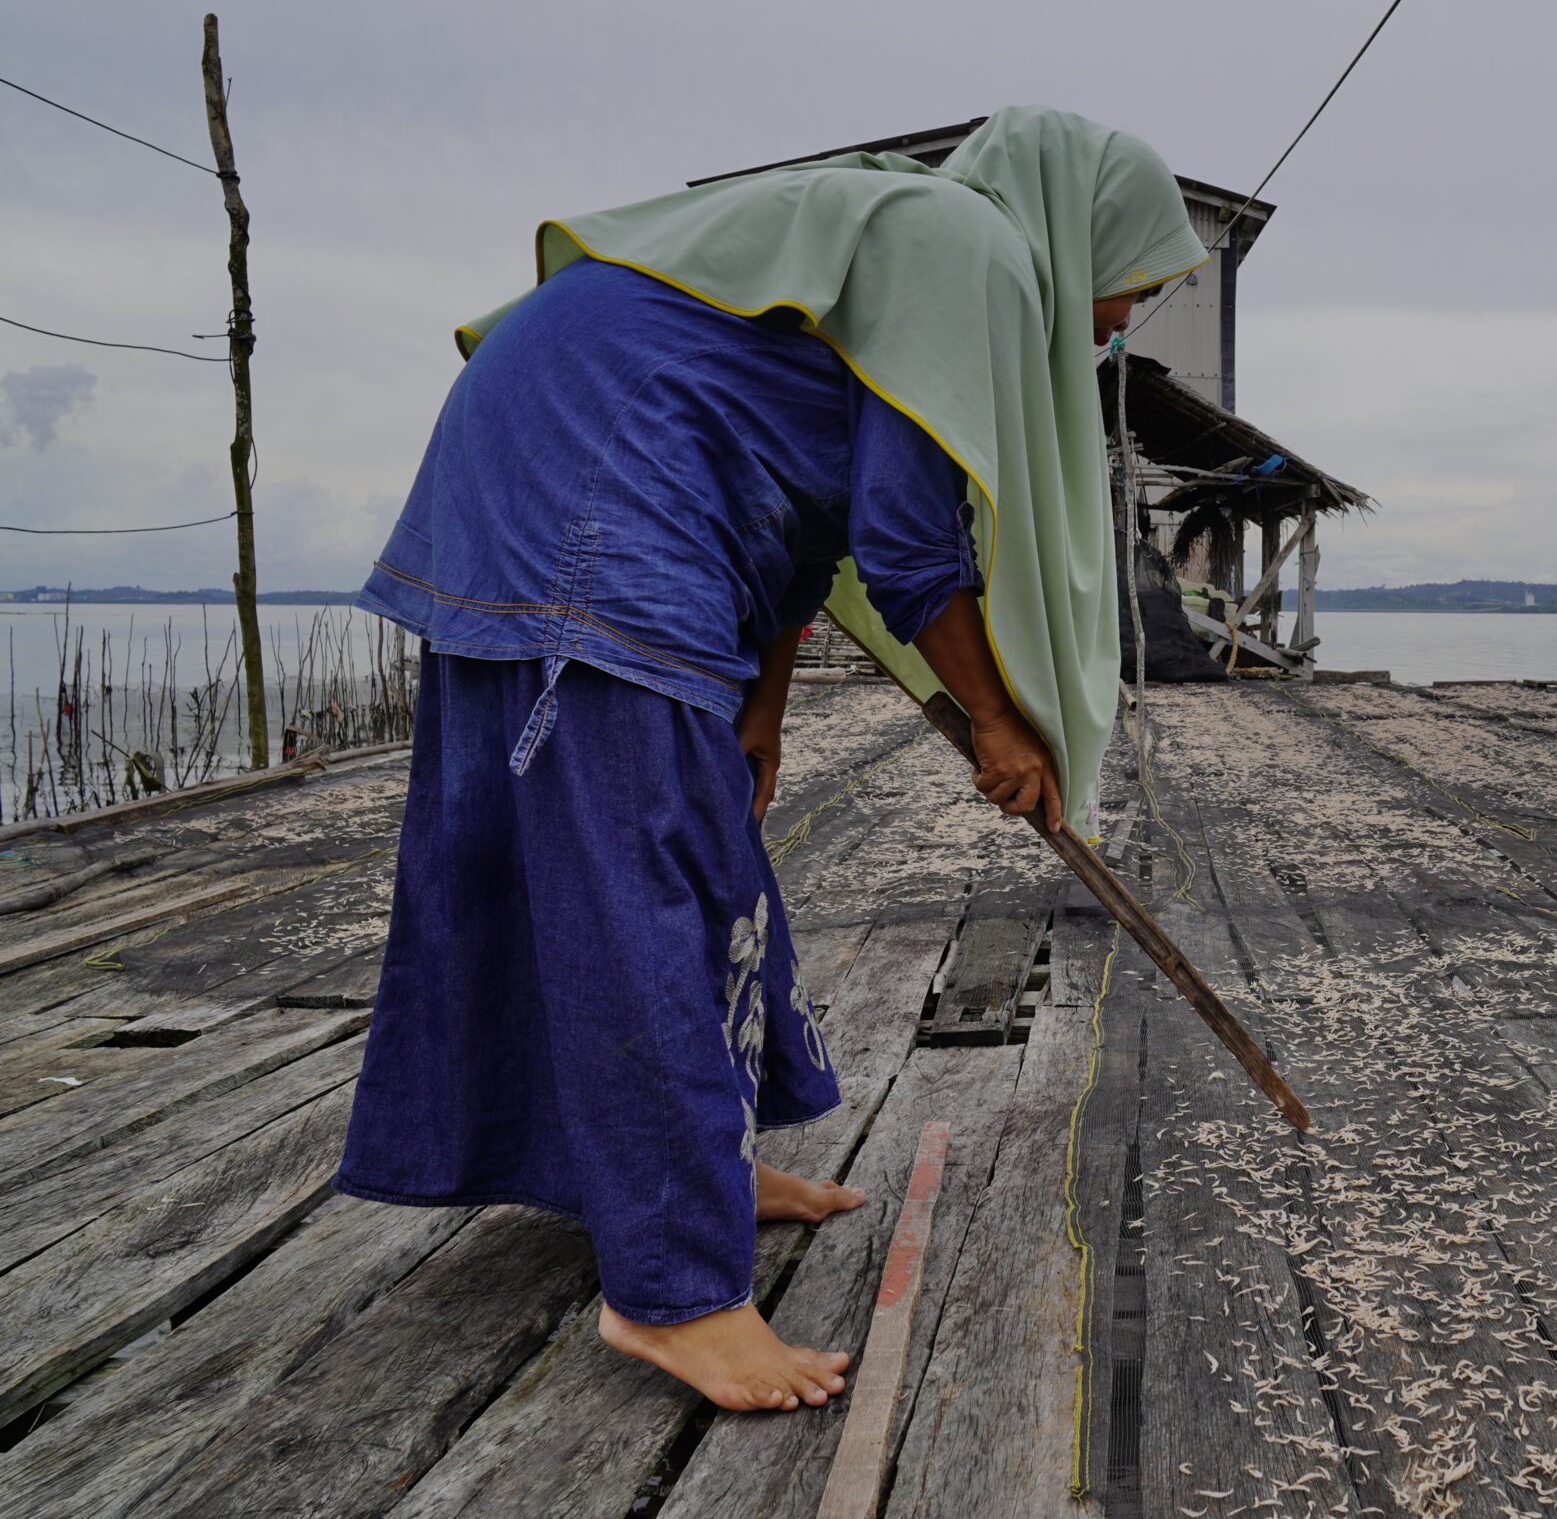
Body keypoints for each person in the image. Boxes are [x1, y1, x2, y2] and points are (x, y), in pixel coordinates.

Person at [337, 109, 1207, 1412]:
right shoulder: (968, 246)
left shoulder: (917, 239)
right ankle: (675, 1292)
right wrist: (993, 719)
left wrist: (765, 703)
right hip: (598, 485)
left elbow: (813, 514)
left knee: (706, 854)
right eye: (1135, 276)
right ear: (1087, 227)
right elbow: (908, 544)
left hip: (592, 464)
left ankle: (698, 1177)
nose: (1126, 316)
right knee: (637, 884)